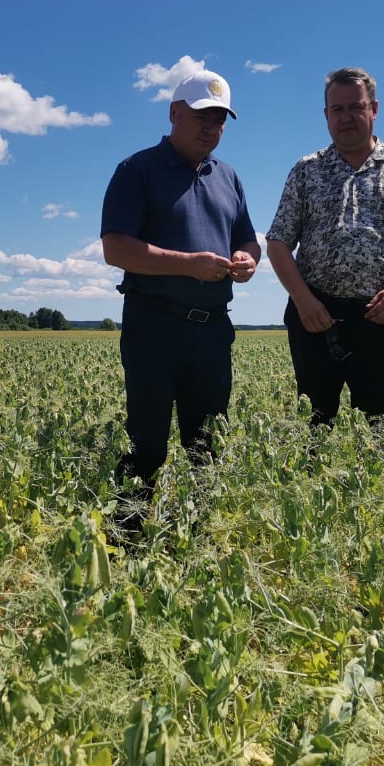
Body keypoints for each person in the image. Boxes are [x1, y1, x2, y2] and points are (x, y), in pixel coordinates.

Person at [101, 69, 261, 533]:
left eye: (219, 121)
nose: (210, 129)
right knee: (146, 443)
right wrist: (188, 264)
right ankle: (127, 541)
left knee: (208, 443)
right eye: (200, 117)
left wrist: (247, 259)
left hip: (212, 329)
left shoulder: (228, 177)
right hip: (154, 325)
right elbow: (116, 248)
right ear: (174, 113)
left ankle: (197, 538)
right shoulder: (137, 170)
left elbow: (248, 239)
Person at [266, 66, 384, 429]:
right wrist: (304, 301)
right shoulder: (306, 170)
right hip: (316, 317)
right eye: (337, 109)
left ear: (374, 109)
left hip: (380, 317)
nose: (346, 117)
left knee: (379, 428)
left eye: (356, 107)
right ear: (326, 115)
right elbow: (278, 242)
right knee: (314, 428)